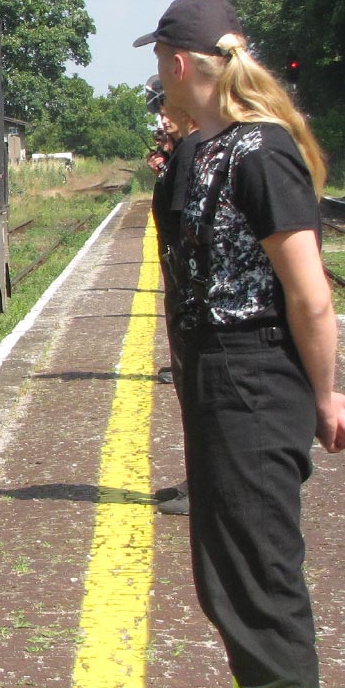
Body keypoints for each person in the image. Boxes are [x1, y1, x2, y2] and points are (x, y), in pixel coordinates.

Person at [134, 0, 345, 688]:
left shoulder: (261, 152)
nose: (156, 79)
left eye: (157, 64)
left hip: (253, 379)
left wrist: (324, 394)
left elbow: (309, 294)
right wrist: (169, 171)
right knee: (228, 579)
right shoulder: (205, 151)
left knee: (261, 585)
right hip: (215, 381)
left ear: (179, 63)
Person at [146, 75, 199, 514]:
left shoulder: (193, 153)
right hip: (183, 288)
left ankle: (206, 486)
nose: (161, 120)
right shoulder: (184, 152)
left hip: (189, 292)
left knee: (198, 389)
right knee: (190, 388)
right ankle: (197, 479)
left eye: (167, 111)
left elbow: (186, 227)